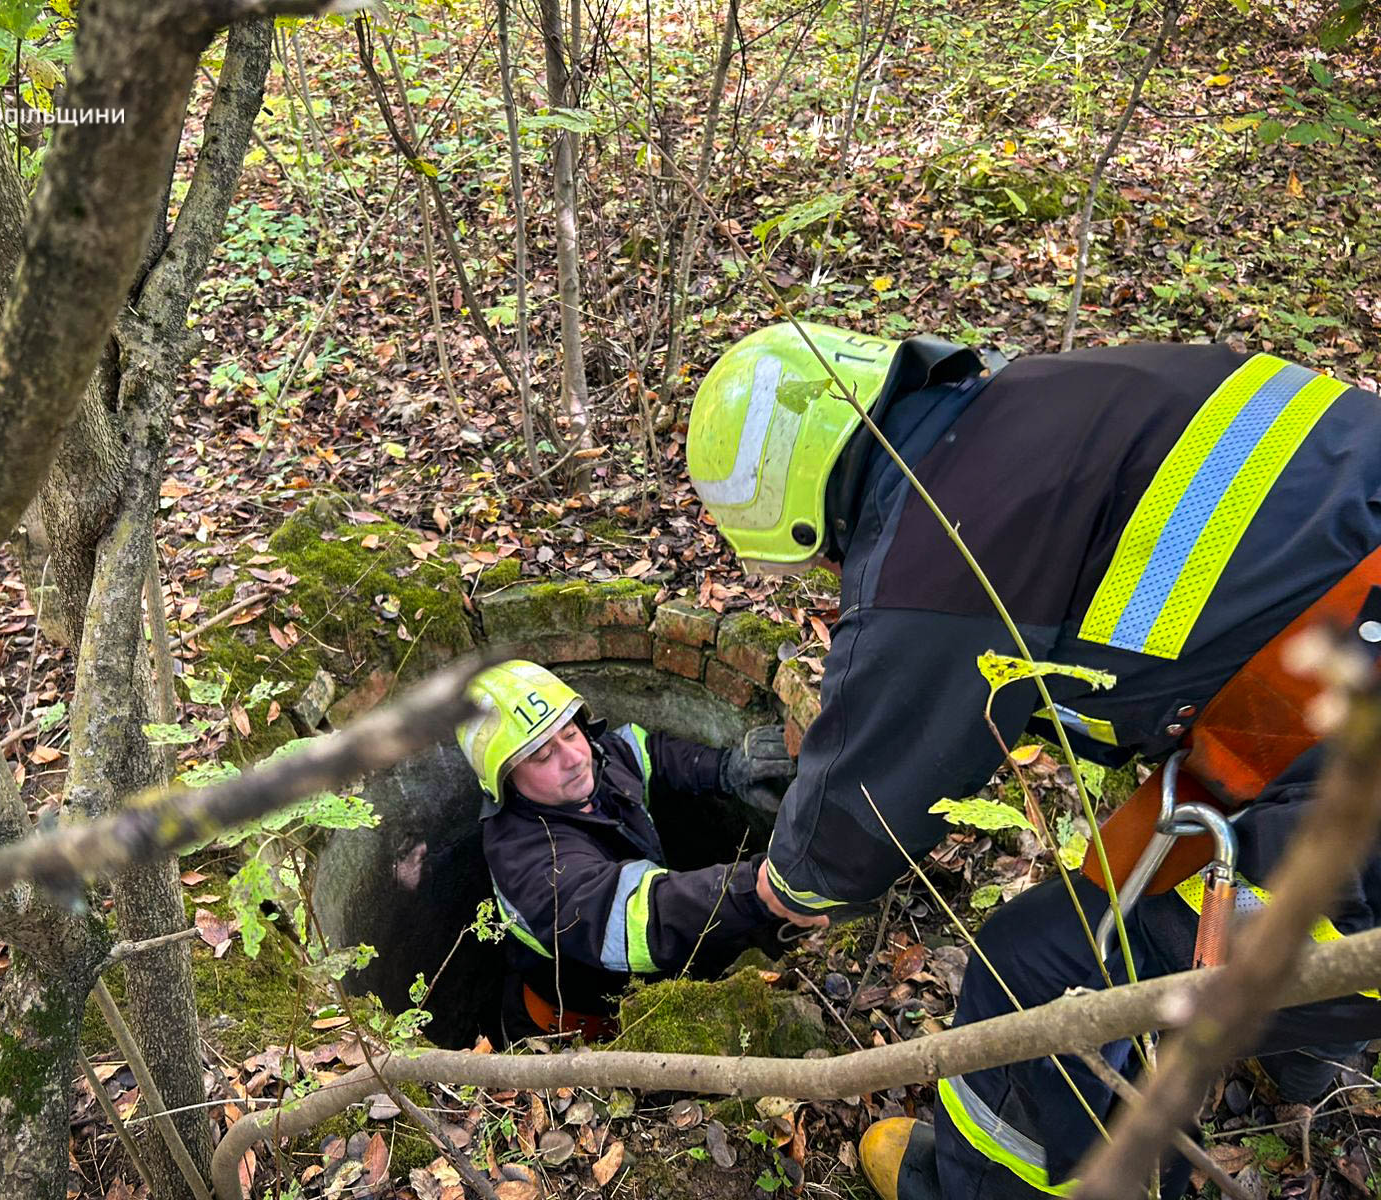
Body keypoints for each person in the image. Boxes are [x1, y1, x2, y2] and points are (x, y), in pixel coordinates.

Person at [685, 322, 1381, 1199]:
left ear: (806, 519)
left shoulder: (935, 557)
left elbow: (860, 820)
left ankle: (982, 1184)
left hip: (1351, 788)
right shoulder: (1069, 400)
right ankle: (1317, 1054)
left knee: (1034, 971)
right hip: (1319, 700)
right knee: (1149, 862)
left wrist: (778, 890)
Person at [457, 659, 797, 1042]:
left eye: (569, 732)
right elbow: (637, 916)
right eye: (541, 755)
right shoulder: (525, 857)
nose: (573, 758)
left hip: (648, 992)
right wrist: (756, 889)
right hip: (575, 1042)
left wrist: (723, 769)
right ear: (506, 780)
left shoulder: (597, 757)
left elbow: (646, 752)